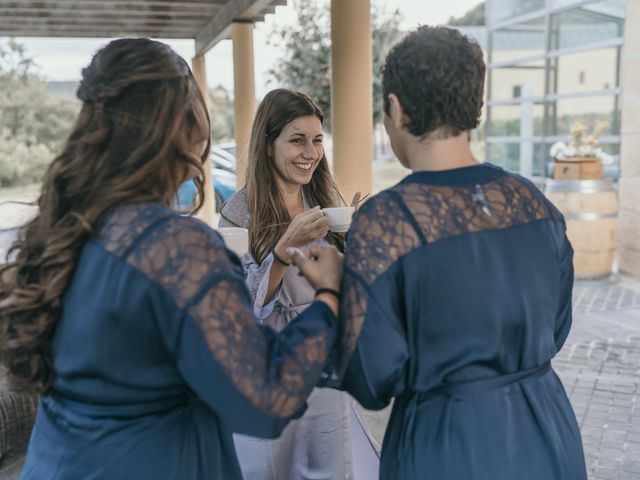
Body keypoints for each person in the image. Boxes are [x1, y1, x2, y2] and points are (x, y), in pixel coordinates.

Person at [0, 39, 344, 480]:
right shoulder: (180, 250)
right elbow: (266, 398)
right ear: (185, 129)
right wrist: (328, 297)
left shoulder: (58, 232)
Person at [331, 26, 588, 479]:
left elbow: (370, 379)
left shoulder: (387, 221)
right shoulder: (533, 204)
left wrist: (334, 288)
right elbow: (557, 326)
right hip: (547, 431)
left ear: (396, 108)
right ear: (475, 107)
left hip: (447, 445)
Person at [219, 88, 379, 480]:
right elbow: (235, 308)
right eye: (297, 140)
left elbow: (349, 286)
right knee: (268, 466)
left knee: (328, 461)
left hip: (324, 364)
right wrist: (281, 251)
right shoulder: (238, 212)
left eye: (317, 140)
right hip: (268, 367)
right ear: (268, 145)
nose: (311, 152)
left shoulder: (326, 200)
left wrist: (361, 241)